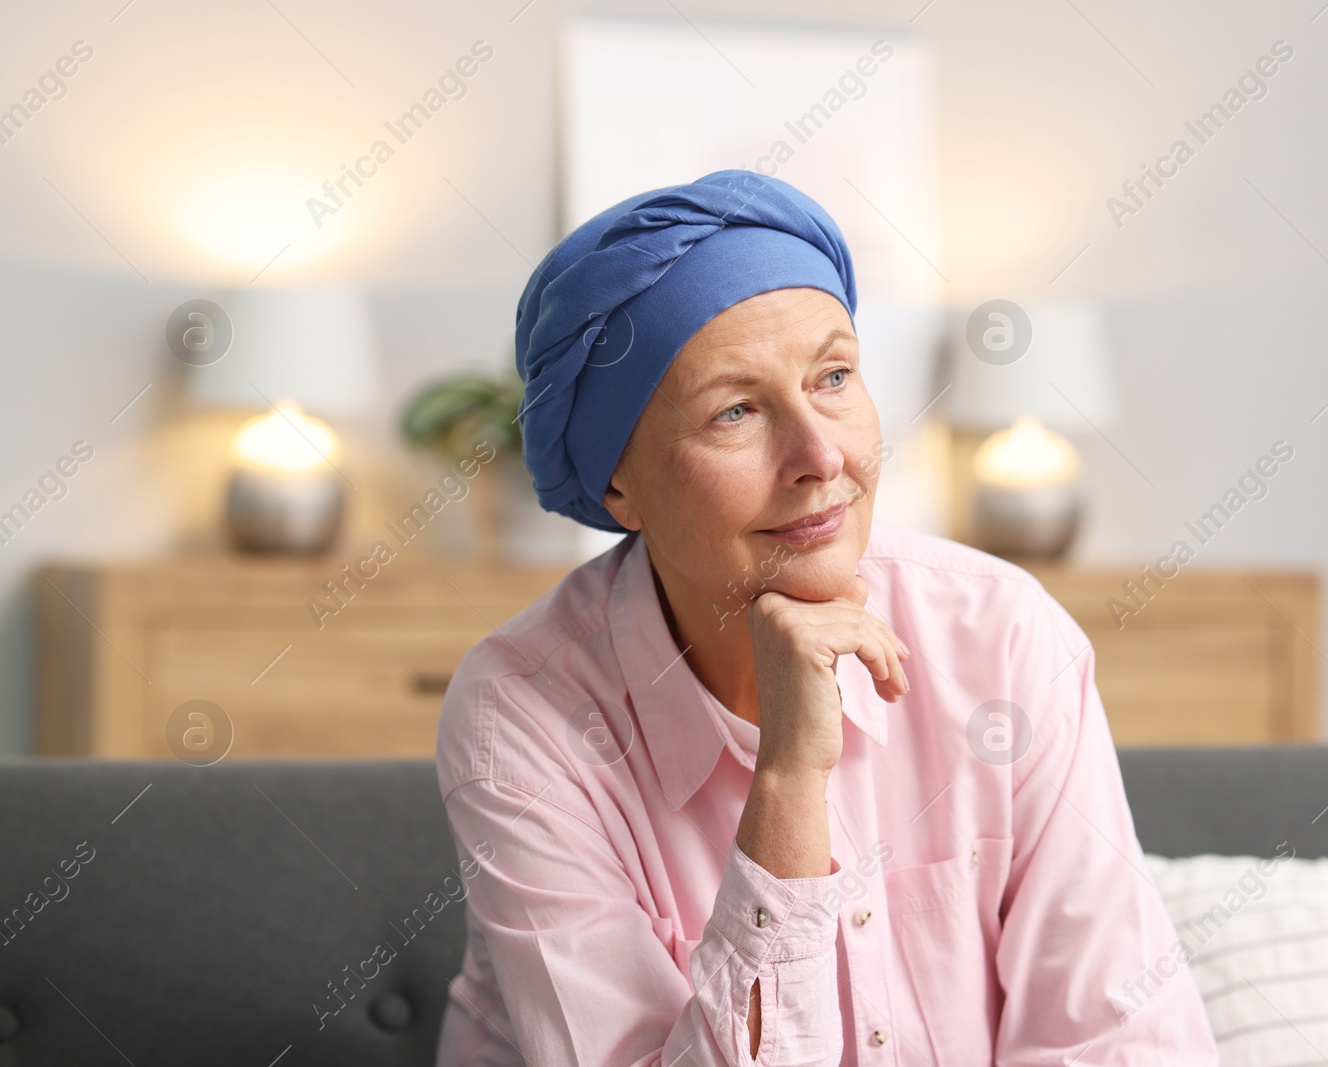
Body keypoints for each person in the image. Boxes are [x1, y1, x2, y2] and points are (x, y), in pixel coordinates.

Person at [433, 169, 1218, 1066]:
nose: (821, 454)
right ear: (621, 484)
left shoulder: (1000, 636)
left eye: (834, 376)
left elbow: (1119, 1037)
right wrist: (790, 781)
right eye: (735, 411)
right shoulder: (520, 716)